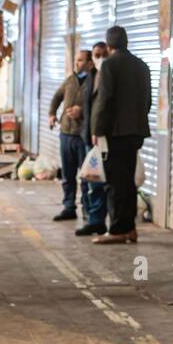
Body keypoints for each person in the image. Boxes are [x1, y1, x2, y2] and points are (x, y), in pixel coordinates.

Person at [89, 26, 151, 244]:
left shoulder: (109, 65)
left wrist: (97, 130)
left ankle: (117, 229)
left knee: (115, 183)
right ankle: (130, 228)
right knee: (127, 181)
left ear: (108, 46)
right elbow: (148, 101)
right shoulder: (142, 66)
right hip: (135, 132)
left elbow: (104, 100)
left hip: (114, 133)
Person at [48, 48, 96, 222]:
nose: (78, 63)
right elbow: (56, 97)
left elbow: (98, 106)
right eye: (77, 60)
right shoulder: (70, 80)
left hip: (83, 135)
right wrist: (52, 114)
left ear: (90, 63)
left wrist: (81, 111)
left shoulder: (94, 81)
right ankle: (69, 206)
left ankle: (87, 208)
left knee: (85, 176)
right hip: (66, 133)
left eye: (81, 60)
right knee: (68, 175)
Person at [76, 42, 110, 237]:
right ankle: (94, 219)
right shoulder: (91, 77)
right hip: (89, 137)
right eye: (96, 55)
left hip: (104, 138)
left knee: (104, 182)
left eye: (102, 54)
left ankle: (102, 220)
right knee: (91, 179)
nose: (99, 59)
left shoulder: (110, 76)